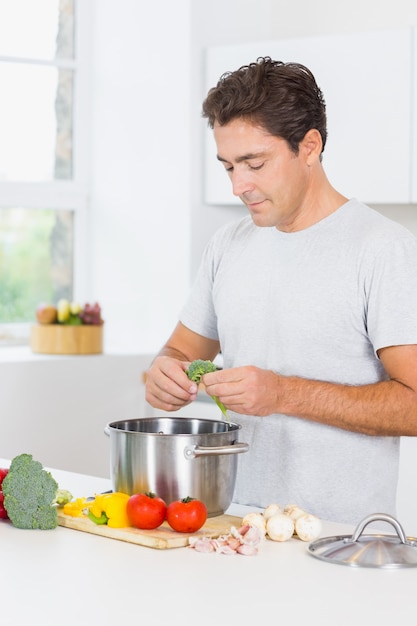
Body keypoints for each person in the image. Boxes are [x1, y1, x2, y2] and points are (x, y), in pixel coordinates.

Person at [145, 57, 417, 525]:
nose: (239, 185)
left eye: (255, 163)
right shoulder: (229, 244)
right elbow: (179, 350)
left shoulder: (383, 249)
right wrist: (162, 373)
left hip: (340, 544)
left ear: (309, 146)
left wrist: (283, 394)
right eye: (228, 166)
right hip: (230, 526)